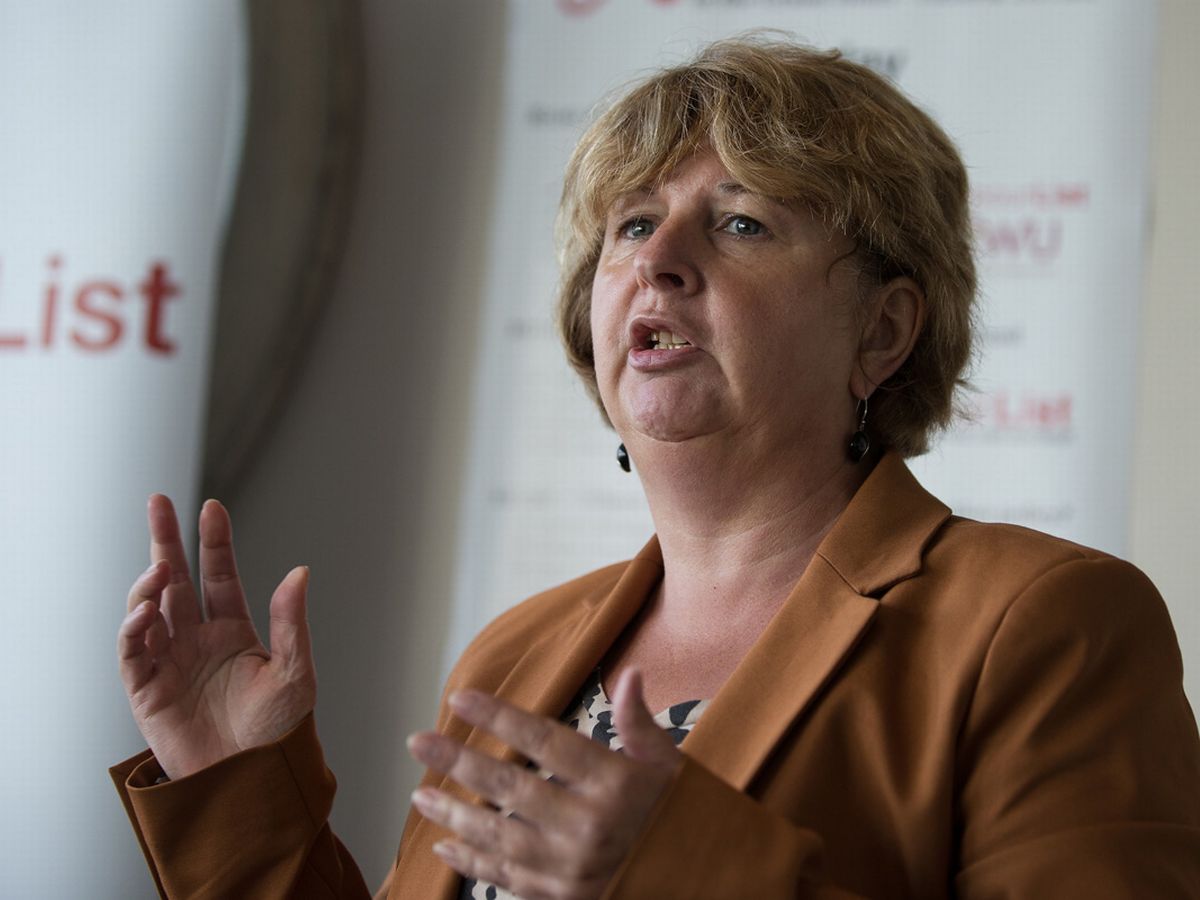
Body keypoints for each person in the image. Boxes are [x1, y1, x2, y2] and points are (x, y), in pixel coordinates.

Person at [112, 38, 1200, 899]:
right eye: (633, 224)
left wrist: (683, 873)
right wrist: (237, 788)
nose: (657, 261)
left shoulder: (1044, 624)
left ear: (882, 332)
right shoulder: (516, 654)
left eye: (741, 223)